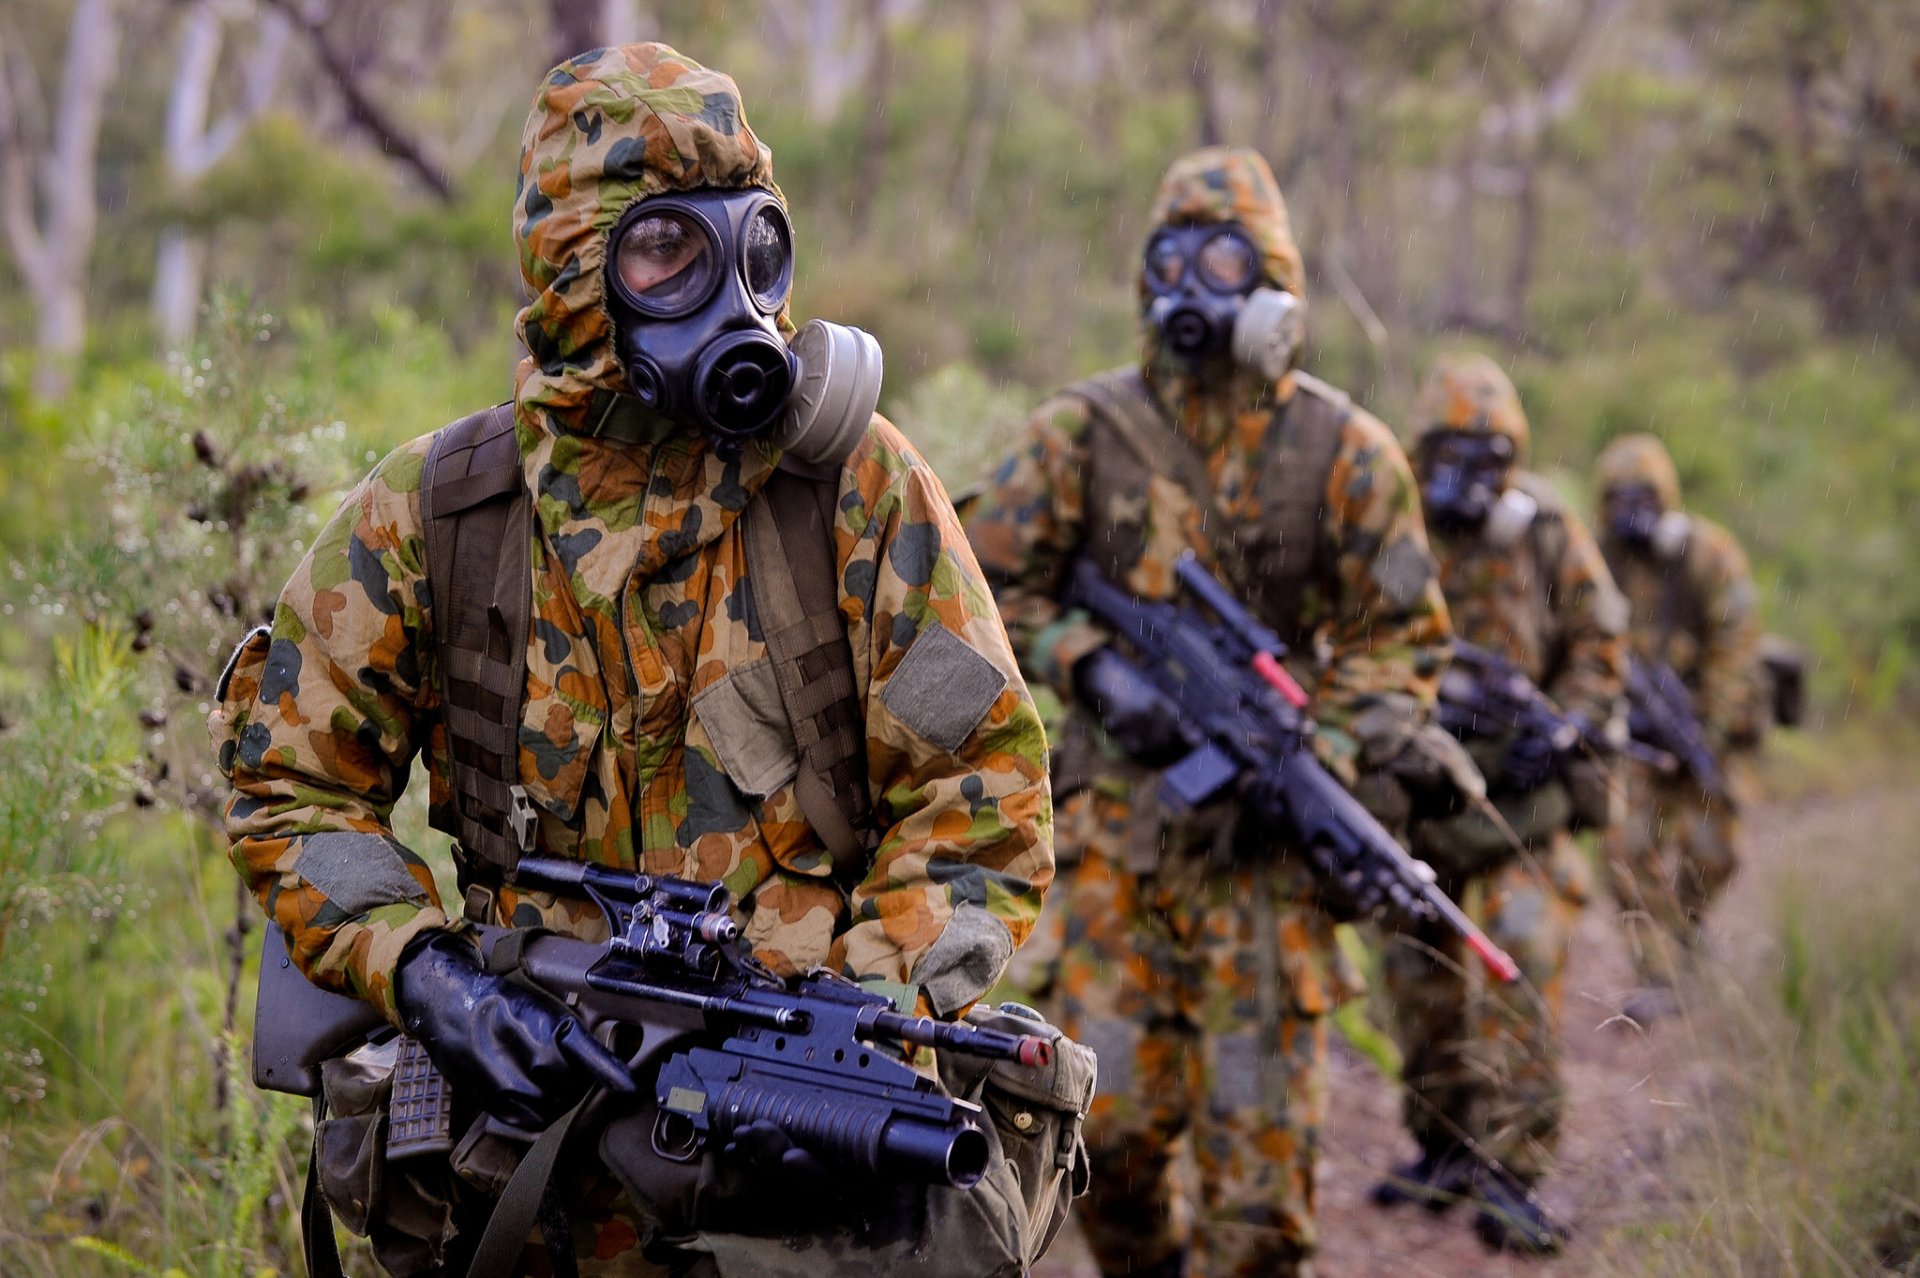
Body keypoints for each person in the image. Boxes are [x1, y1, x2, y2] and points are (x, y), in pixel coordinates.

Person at [210, 41, 1053, 1276]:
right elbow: (289, 783)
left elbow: (981, 789)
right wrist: (427, 971)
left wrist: (861, 1034)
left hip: (788, 1174)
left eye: (753, 250)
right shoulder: (439, 512)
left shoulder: (855, 492)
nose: (734, 302)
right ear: (571, 270)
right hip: (524, 1157)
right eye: (669, 252)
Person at [964, 145, 1452, 1278]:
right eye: (1171, 256)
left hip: (1265, 880)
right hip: (1119, 862)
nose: (1195, 281)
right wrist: (1086, 662)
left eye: (1226, 256)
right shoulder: (1082, 434)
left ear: (1275, 277)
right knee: (1109, 1143)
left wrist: (1310, 753)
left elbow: (1403, 637)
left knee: (1261, 1199)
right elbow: (981, 589)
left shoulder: (1344, 451)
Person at [1374, 353, 1627, 1253]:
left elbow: (1602, 644)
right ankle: (1441, 1147)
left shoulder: (1548, 530)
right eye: (1451, 449)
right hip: (1423, 803)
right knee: (1416, 979)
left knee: (1514, 965)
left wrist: (1560, 731)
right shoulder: (1387, 523)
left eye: (1489, 454)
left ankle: (1515, 1174)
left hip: (1528, 812)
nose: (1468, 473)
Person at [1593, 432, 1763, 1016]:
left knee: (1717, 852)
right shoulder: (1598, 559)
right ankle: (1659, 974)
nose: (1631, 511)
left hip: (1699, 727)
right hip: (1632, 739)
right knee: (1625, 849)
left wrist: (1706, 731)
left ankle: (1686, 930)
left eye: (1643, 496)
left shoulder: (1707, 554)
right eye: (1619, 498)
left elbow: (1737, 646)